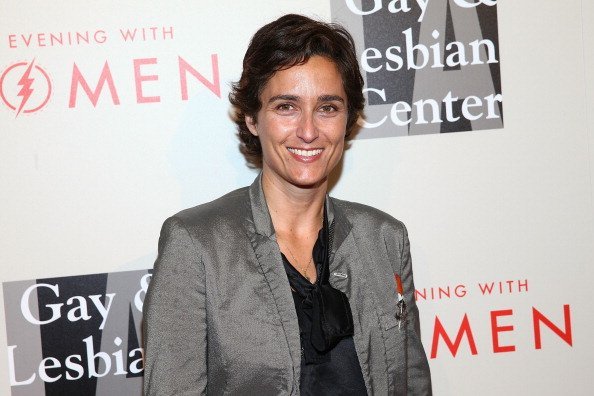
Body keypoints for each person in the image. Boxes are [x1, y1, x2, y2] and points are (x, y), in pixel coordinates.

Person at [143, 13, 432, 396]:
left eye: (327, 107)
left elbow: (411, 384)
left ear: (347, 119)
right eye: (286, 107)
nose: (309, 131)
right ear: (251, 117)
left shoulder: (384, 238)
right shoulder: (196, 244)